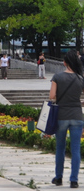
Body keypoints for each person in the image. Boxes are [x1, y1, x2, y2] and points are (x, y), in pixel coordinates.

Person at [50, 50, 84, 187]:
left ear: (64, 62)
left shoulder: (57, 77)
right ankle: (74, 180)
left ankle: (58, 178)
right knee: (76, 149)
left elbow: (52, 96)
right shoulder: (81, 78)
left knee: (60, 148)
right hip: (77, 115)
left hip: (61, 116)